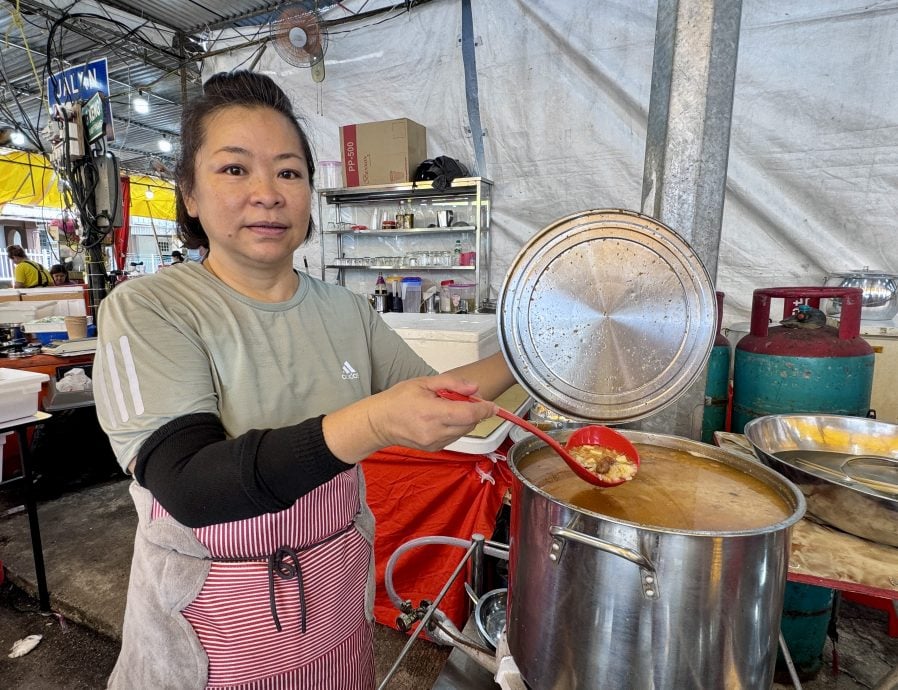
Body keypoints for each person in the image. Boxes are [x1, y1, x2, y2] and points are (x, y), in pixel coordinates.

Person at [92, 70, 514, 689]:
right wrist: (373, 420)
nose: (267, 193)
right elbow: (188, 483)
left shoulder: (343, 309)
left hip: (336, 608)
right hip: (212, 631)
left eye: (288, 172)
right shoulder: (150, 308)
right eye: (234, 169)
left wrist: (530, 349)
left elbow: (445, 398)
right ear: (188, 192)